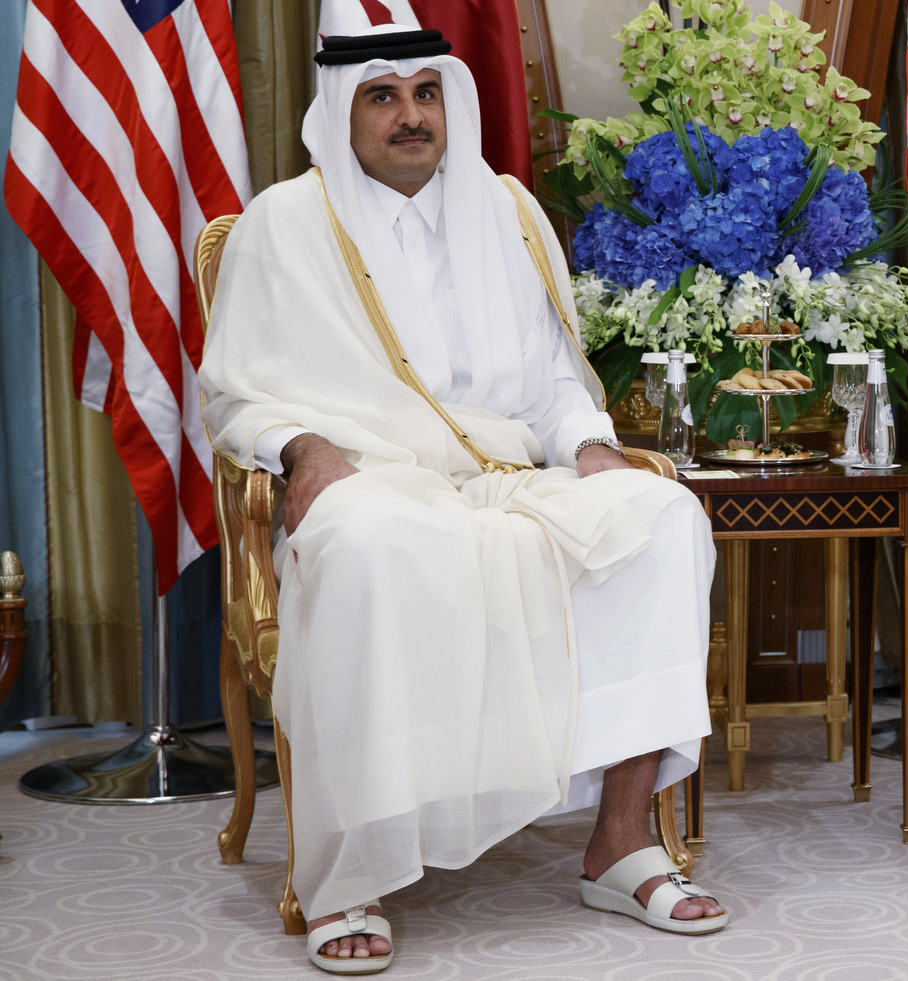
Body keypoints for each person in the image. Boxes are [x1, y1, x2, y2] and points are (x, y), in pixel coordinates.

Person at [200, 24, 727, 974]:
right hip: (371, 479)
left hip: (509, 476)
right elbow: (237, 394)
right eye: (383, 96)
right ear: (341, 110)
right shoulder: (282, 224)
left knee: (662, 519)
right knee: (362, 546)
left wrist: (591, 446)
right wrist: (303, 447)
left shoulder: (509, 212)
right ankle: (350, 873)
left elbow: (556, 384)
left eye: (425, 94)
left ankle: (621, 840)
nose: (411, 116)